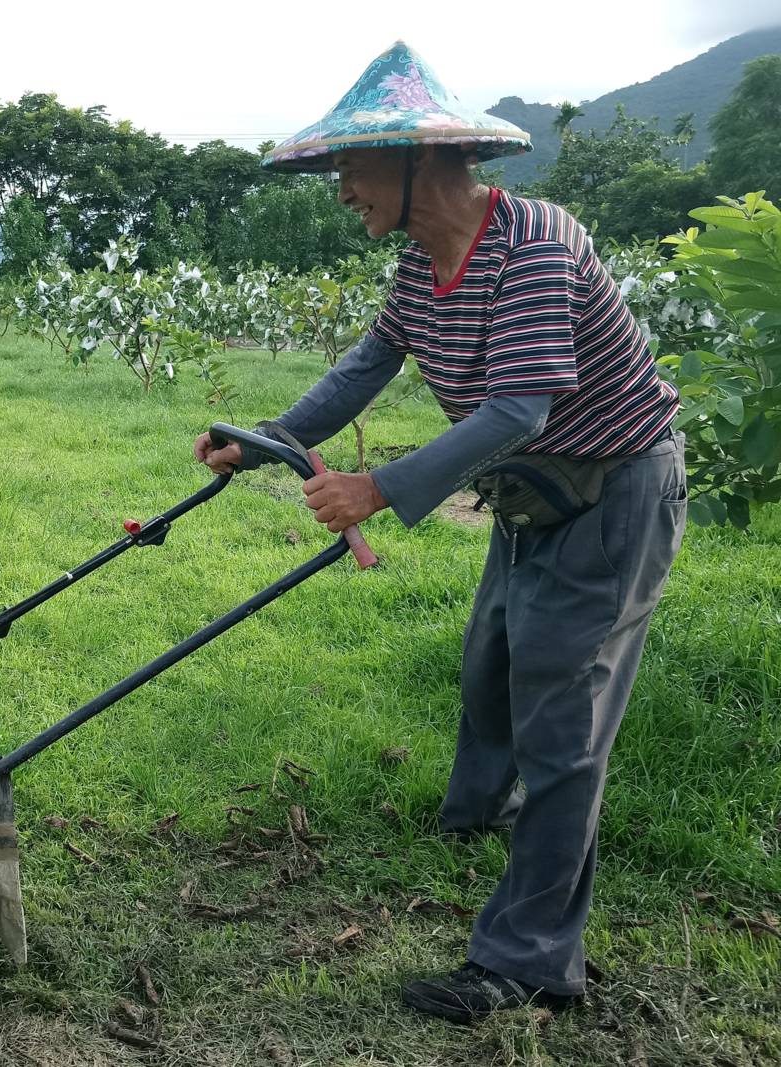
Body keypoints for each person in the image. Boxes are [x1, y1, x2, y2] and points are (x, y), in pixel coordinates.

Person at [194, 42, 686, 1023]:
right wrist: (267, 441)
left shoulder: (536, 241)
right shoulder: (421, 271)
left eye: (353, 169)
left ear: (426, 164)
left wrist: (375, 487)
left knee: (561, 720)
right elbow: (363, 368)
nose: (342, 193)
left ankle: (531, 961)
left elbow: (518, 408)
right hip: (530, 501)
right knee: (489, 665)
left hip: (614, 493)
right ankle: (478, 811)